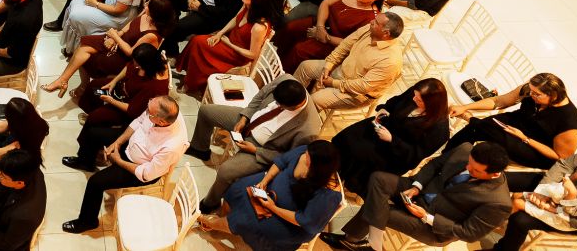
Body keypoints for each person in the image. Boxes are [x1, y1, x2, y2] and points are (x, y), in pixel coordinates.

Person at [321, 141, 512, 251]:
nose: (468, 168)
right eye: (469, 163)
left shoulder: (498, 203)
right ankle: (370, 243)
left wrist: (426, 217)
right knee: (379, 180)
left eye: (475, 170)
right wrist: (416, 186)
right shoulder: (465, 149)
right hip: (421, 192)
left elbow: (468, 233)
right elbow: (434, 165)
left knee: (379, 208)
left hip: (434, 226)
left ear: (494, 174)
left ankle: (353, 241)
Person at [186, 75, 321, 211]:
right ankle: (200, 149)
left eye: (281, 106)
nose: (277, 106)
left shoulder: (309, 130)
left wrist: (255, 150)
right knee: (206, 111)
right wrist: (244, 117)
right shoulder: (285, 79)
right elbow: (260, 96)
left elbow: (288, 158)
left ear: (295, 106)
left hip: (262, 147)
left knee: (225, 172)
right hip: (250, 120)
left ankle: (211, 203)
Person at [62, 96, 188, 234]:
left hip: (138, 167)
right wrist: (118, 143)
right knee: (93, 133)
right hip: (131, 145)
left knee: (95, 182)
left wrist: (118, 161)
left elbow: (147, 174)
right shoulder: (157, 110)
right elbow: (139, 121)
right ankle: (85, 162)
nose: (146, 111)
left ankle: (88, 221)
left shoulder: (171, 146)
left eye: (149, 111)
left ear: (161, 122)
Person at [200, 141, 343, 251]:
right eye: (306, 154)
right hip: (270, 191)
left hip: (289, 222)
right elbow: (281, 162)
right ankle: (225, 220)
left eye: (308, 157)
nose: (305, 155)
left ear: (318, 166)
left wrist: (272, 207)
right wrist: (265, 181)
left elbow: (303, 220)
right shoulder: (306, 151)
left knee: (245, 220)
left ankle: (209, 222)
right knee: (237, 188)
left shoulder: (328, 196)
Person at [333, 78, 450, 197]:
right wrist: (384, 109)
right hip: (384, 127)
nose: (414, 99)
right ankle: (334, 169)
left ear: (431, 104)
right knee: (348, 136)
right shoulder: (416, 94)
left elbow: (413, 156)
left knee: (358, 151)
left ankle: (342, 181)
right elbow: (396, 101)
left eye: (419, 100)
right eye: (415, 95)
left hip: (395, 154)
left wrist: (392, 140)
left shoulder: (439, 130)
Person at [43, 0, 175, 97]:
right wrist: (115, 36)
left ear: (155, 13)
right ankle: (63, 80)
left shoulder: (152, 35)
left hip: (125, 57)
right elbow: (128, 26)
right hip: (119, 41)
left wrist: (115, 37)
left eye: (148, 6)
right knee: (84, 44)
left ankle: (82, 87)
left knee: (88, 58)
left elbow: (131, 53)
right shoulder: (145, 14)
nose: (145, 5)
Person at [447, 73, 577, 170]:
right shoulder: (531, 90)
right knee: (476, 128)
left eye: (536, 94)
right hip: (519, 122)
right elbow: (499, 101)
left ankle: (471, 122)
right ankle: (447, 156)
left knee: (485, 128)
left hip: (537, 148)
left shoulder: (570, 122)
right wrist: (464, 107)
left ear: (553, 96)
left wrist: (525, 138)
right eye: (531, 91)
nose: (531, 95)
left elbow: (559, 156)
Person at [67, 44, 171, 167]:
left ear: (147, 65)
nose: (135, 65)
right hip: (122, 90)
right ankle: (98, 129)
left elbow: (133, 110)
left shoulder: (154, 87)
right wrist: (113, 81)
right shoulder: (148, 62)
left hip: (127, 108)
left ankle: (85, 159)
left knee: (94, 118)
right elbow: (128, 67)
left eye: (138, 64)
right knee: (94, 86)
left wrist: (111, 101)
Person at [294, 11, 404, 110]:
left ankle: (296, 120)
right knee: (305, 67)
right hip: (342, 69)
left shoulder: (390, 61)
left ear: (386, 33)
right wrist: (328, 66)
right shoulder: (370, 29)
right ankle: (290, 98)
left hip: (357, 94)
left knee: (315, 100)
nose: (371, 22)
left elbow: (363, 86)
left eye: (376, 22)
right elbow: (345, 45)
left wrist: (333, 83)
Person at [176, 0, 280, 91]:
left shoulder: (259, 27)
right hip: (229, 42)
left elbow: (252, 54)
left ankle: (192, 83)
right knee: (196, 40)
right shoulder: (247, 6)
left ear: (254, 2)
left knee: (199, 43)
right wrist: (220, 33)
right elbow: (236, 19)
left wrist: (229, 43)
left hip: (237, 56)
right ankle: (190, 76)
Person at [277, 0, 384, 73]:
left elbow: (352, 44)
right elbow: (326, 3)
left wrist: (326, 37)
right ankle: (275, 58)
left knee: (299, 50)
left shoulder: (372, 18)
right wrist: (320, 27)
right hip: (322, 23)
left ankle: (281, 73)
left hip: (333, 42)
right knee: (291, 28)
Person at [493, 151, 577, 250]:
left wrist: (556, 205)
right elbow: (564, 165)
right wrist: (543, 191)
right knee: (506, 183)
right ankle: (495, 221)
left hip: (570, 217)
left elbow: (573, 210)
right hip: (560, 191)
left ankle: (495, 230)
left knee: (519, 213)